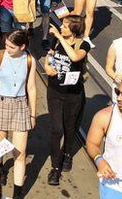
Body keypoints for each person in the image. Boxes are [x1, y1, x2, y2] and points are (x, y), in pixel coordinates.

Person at [0, 30, 36, 198]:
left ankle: (17, 193)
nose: (7, 48)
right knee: (0, 148)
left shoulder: (29, 60)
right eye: (6, 45)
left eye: (11, 47)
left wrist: (33, 114)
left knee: (20, 153)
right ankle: (0, 168)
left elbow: (31, 87)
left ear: (22, 46)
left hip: (20, 105)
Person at [42, 15, 89, 186]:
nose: (61, 28)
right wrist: (47, 66)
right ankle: (55, 168)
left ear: (74, 30)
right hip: (55, 91)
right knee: (56, 129)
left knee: (70, 127)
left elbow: (75, 57)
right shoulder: (56, 40)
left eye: (65, 26)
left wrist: (61, 38)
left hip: (73, 94)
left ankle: (67, 154)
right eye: (62, 26)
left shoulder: (83, 45)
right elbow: (50, 56)